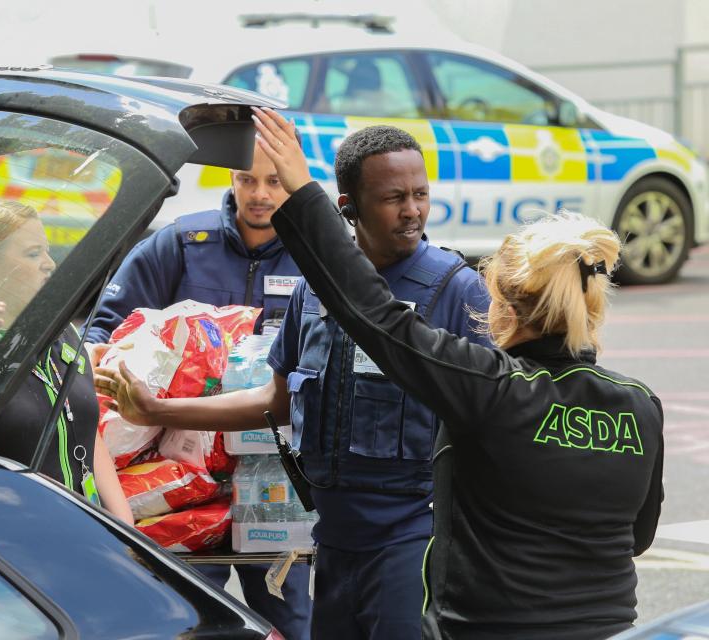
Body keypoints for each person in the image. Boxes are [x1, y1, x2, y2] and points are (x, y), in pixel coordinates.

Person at [248, 107, 665, 639]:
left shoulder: (494, 390)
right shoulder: (638, 403)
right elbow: (638, 534)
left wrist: (304, 192)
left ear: (502, 310)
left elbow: (376, 317)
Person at [96, 125, 492, 640]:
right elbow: (274, 400)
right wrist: (156, 411)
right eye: (394, 198)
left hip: (412, 538)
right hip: (328, 539)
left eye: (420, 195)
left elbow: (491, 421)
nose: (412, 210)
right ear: (349, 206)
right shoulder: (313, 289)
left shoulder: (455, 290)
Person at [86, 143, 311, 640]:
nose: (259, 194)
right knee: (183, 614)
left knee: (291, 613)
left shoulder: (314, 254)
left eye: (274, 182)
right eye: (246, 179)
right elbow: (103, 333)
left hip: (275, 476)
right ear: (230, 178)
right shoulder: (184, 243)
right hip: (182, 479)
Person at [0, 199, 133, 525]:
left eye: (47, 251)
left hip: (86, 532)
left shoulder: (60, 328)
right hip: (8, 547)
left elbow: (83, 429)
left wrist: (123, 524)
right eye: (33, 253)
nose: (50, 264)